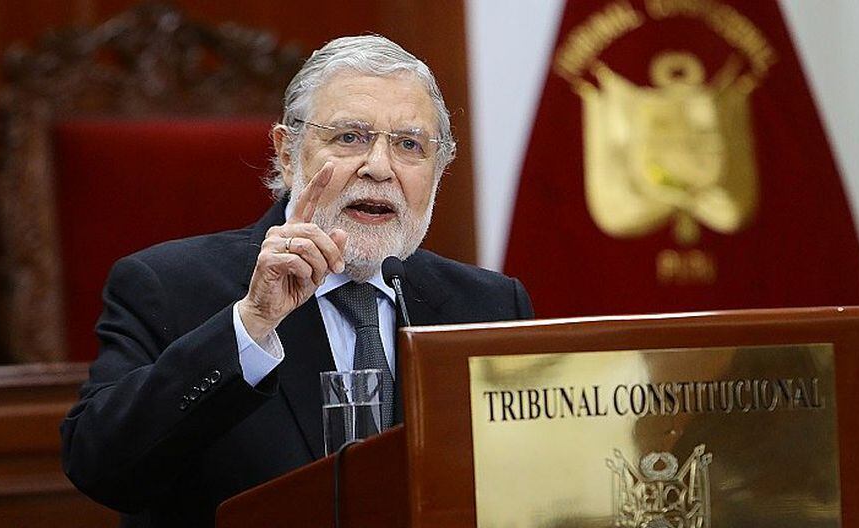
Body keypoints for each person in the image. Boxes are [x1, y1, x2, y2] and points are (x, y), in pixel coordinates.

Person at [60, 34, 533, 527]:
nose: (379, 168)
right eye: (350, 137)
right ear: (287, 153)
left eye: (409, 145)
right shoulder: (167, 286)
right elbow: (101, 468)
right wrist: (251, 325)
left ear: (439, 169)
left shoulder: (490, 306)